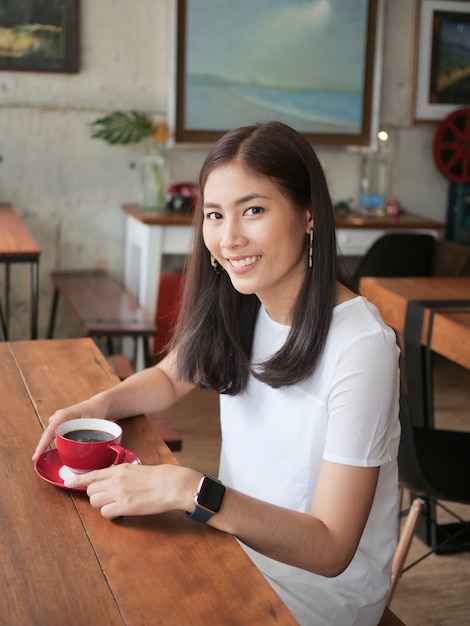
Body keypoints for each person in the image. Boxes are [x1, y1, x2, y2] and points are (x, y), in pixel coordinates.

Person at [33, 121, 400, 625]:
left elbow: (331, 548)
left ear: (308, 214)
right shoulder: (243, 300)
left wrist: (191, 490)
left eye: (253, 210)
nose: (229, 238)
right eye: (214, 214)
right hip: (232, 546)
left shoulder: (362, 346)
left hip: (315, 597)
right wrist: (98, 405)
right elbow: (167, 378)